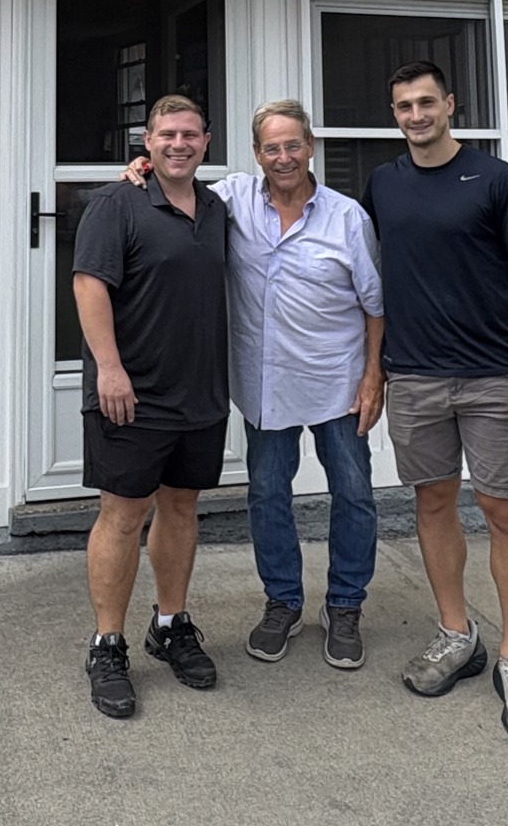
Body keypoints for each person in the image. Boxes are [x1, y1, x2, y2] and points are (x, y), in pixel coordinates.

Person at [126, 100, 385, 669]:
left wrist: (373, 375)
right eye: (272, 147)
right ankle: (283, 603)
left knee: (354, 493)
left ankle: (344, 605)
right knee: (268, 495)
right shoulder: (234, 199)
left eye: (294, 145)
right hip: (264, 381)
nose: (284, 157)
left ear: (311, 147)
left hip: (337, 379)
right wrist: (140, 168)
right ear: (256, 153)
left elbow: (374, 304)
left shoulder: (346, 218)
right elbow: (177, 174)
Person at [363, 60, 508, 745]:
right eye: (402, 105)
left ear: (451, 104)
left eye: (425, 102)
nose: (415, 115)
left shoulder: (497, 180)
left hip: (495, 378)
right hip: (415, 378)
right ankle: (456, 634)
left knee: (506, 511)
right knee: (432, 503)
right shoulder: (383, 185)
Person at [71, 94, 232, 720]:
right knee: (122, 513)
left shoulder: (218, 207)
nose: (179, 144)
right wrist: (109, 368)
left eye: (190, 134)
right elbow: (89, 285)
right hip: (130, 393)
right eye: (167, 134)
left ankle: (170, 624)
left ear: (206, 142)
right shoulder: (118, 203)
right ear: (147, 139)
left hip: (199, 392)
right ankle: (107, 645)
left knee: (182, 506)